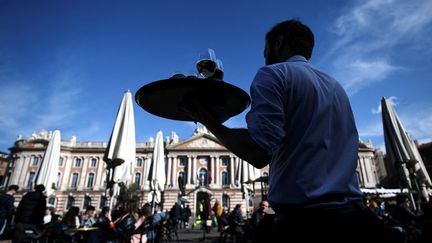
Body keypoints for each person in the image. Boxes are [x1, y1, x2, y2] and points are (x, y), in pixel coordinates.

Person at [187, 19, 385, 243]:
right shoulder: (336, 86)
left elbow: (257, 151)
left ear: (278, 42)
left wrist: (207, 119)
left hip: (306, 224)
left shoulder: (273, 74)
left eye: (265, 50)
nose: (264, 57)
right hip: (357, 219)